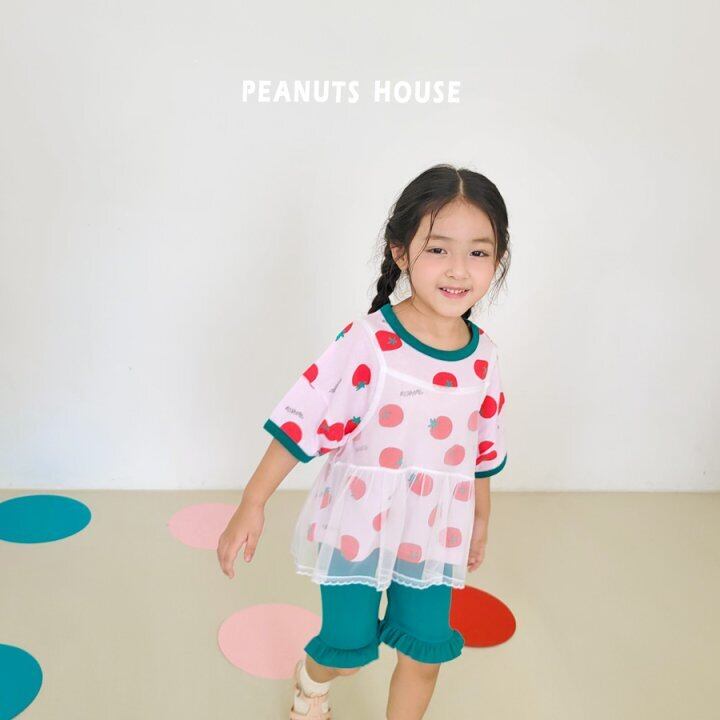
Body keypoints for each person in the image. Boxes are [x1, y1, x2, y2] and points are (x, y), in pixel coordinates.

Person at [217, 163, 511, 720]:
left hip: (434, 531)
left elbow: (483, 448)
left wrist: (481, 517)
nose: (458, 269)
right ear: (401, 252)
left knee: (425, 653)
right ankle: (312, 680)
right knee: (348, 651)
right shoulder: (369, 342)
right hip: (358, 524)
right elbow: (303, 419)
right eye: (438, 249)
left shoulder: (485, 357)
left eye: (478, 252)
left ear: (496, 260)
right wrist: (252, 502)